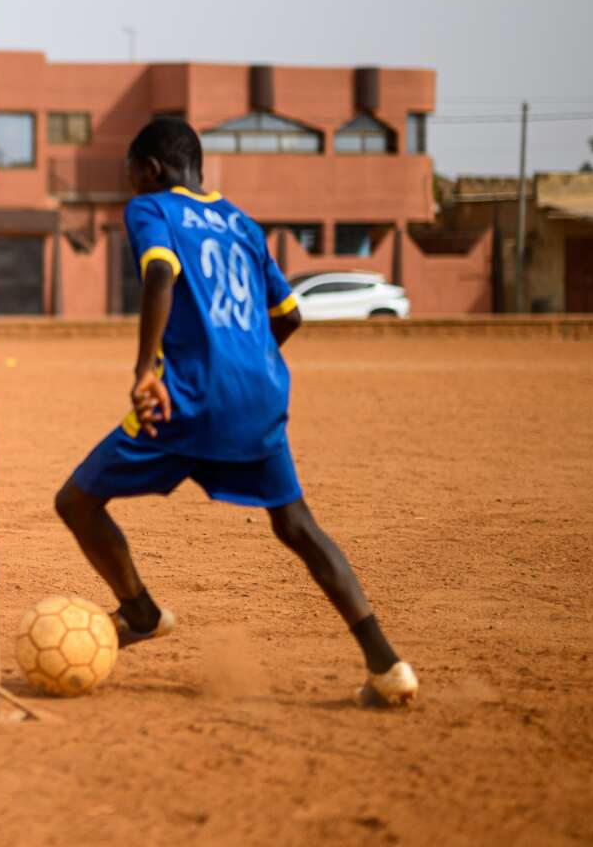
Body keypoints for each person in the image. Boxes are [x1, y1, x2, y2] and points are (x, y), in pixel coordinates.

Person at [52, 115, 417, 707]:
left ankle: (141, 613)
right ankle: (387, 664)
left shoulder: (152, 210)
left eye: (131, 176)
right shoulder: (243, 223)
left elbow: (161, 274)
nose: (130, 188)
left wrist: (147, 368)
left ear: (150, 169)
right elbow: (291, 314)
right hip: (262, 393)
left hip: (188, 398)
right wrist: (246, 360)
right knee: (297, 525)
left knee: (76, 501)